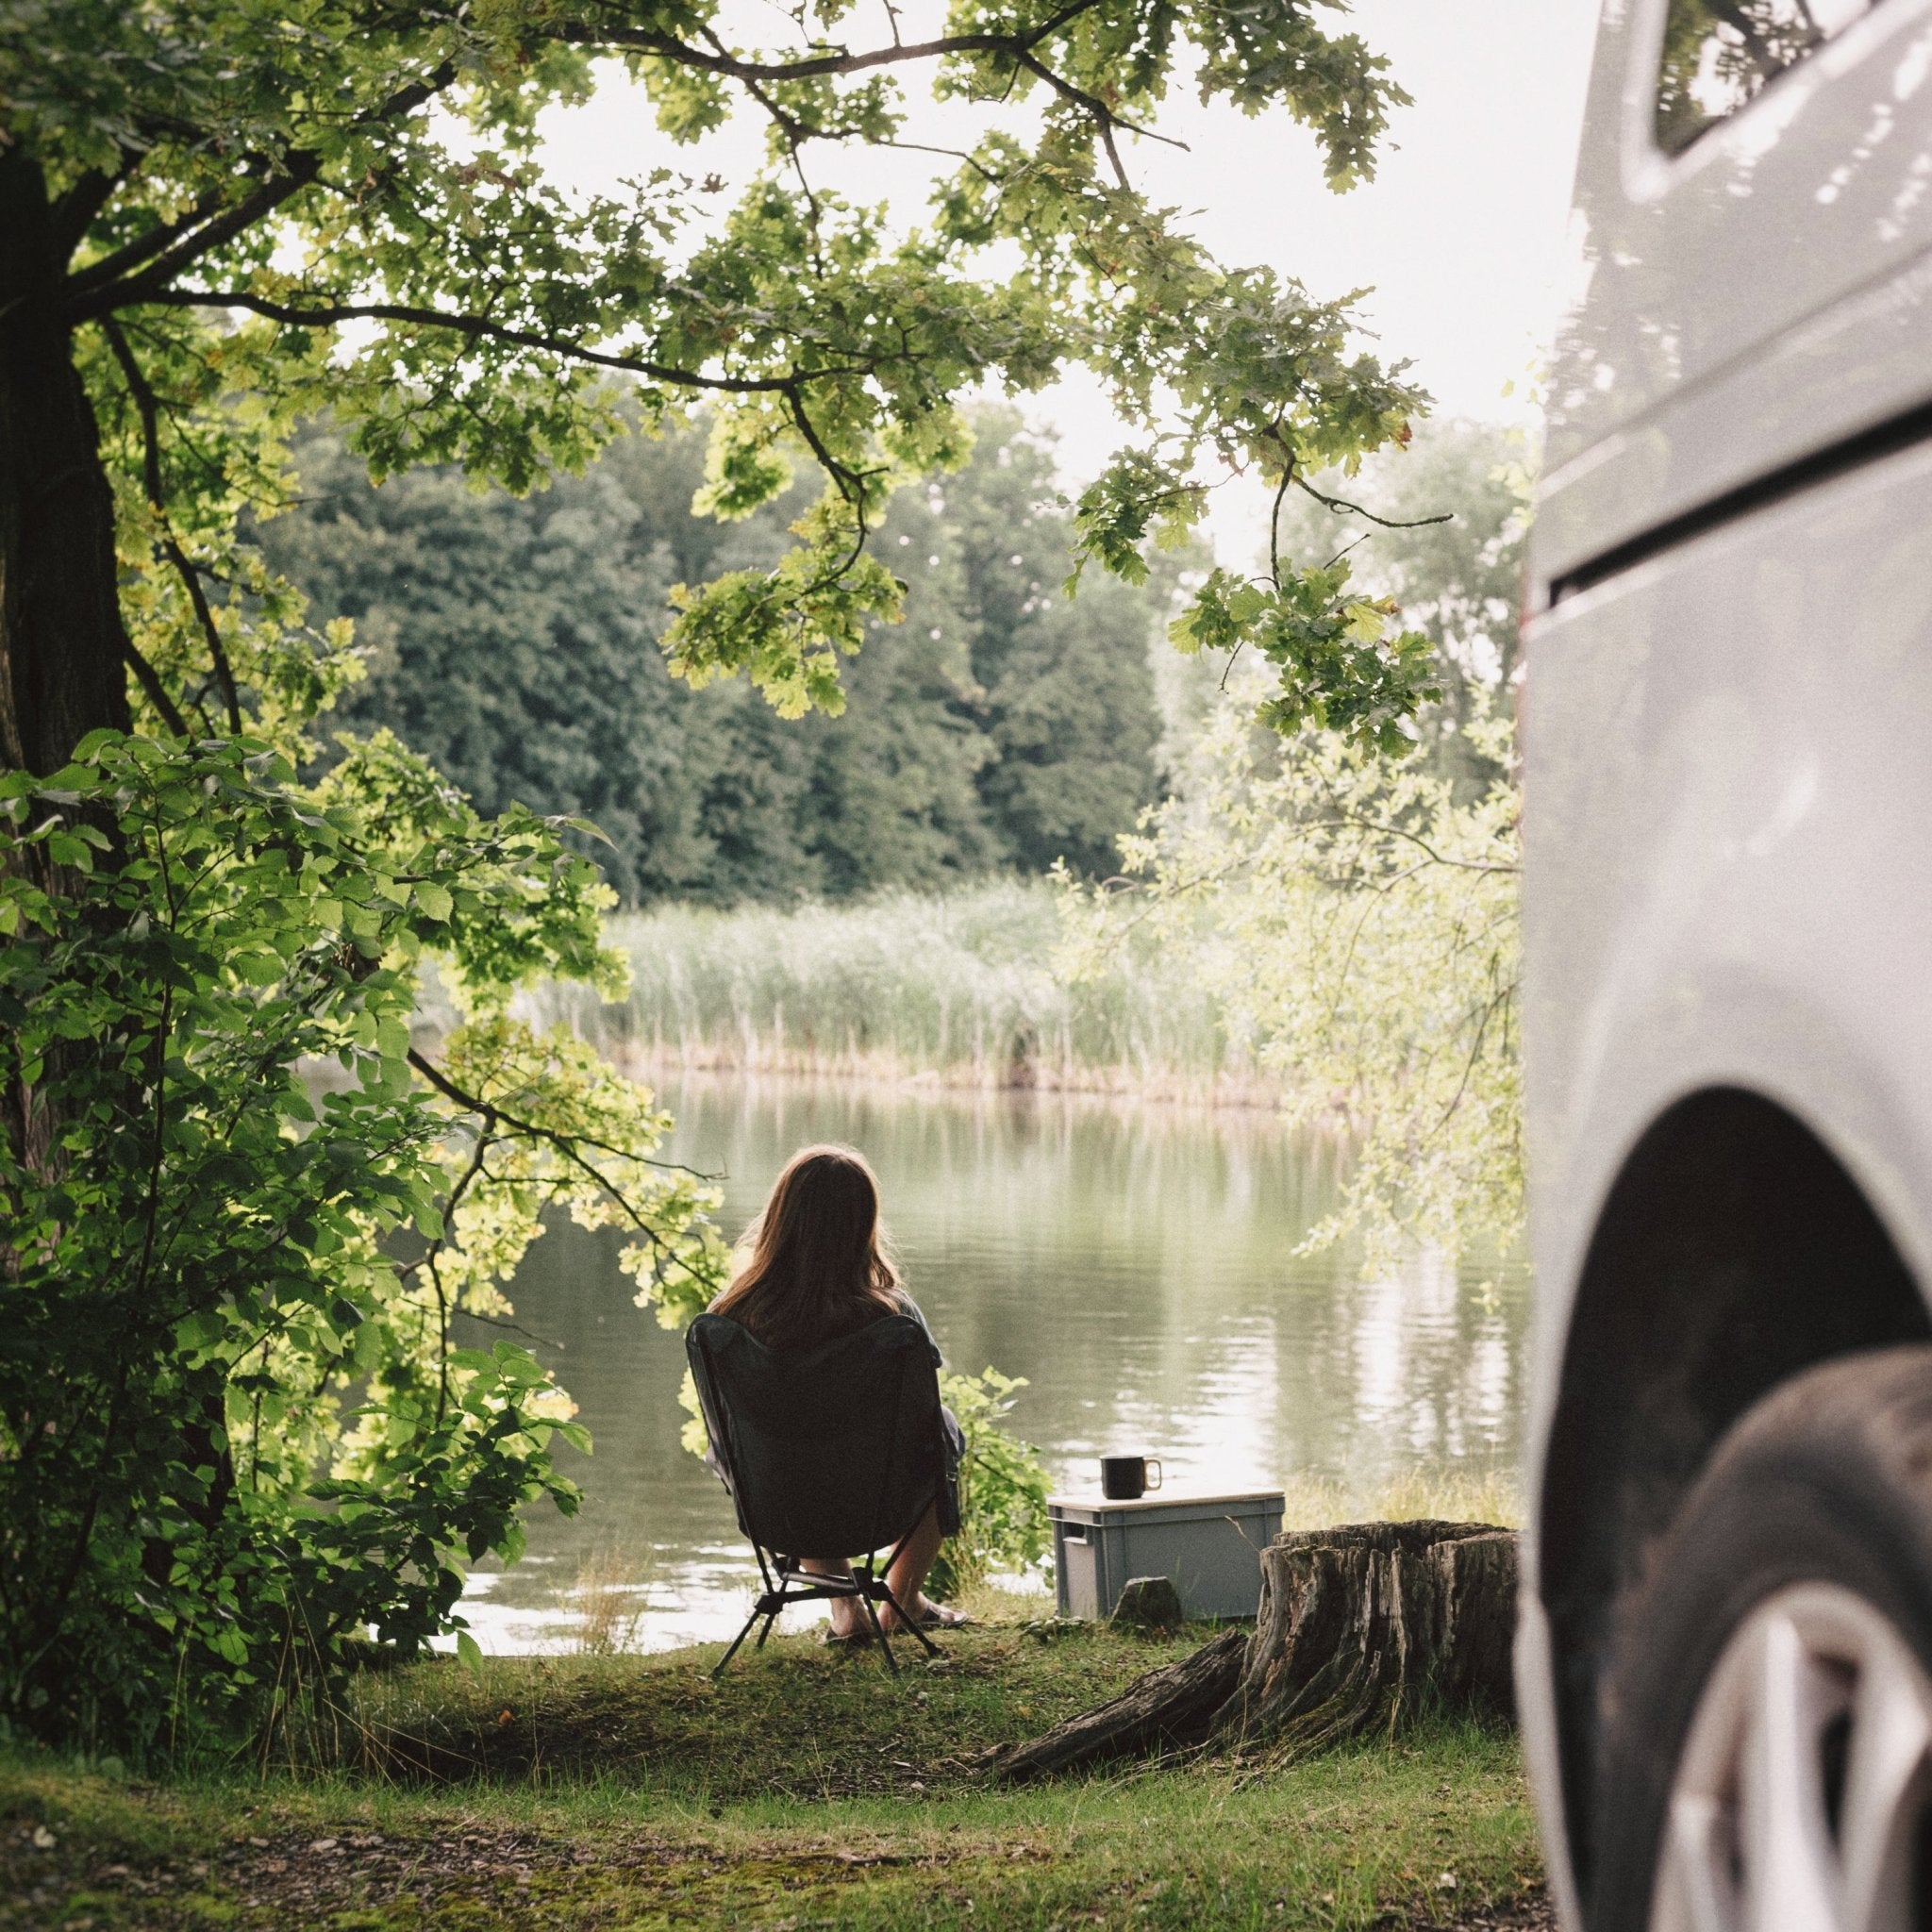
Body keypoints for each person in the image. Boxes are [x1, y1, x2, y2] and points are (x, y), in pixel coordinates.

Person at [706, 1143, 971, 1642]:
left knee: (778, 1447)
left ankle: (847, 1609)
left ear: (779, 1217)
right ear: (862, 1226)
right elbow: (924, 1402)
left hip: (776, 1506)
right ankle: (904, 1597)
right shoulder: (891, 1319)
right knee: (944, 1428)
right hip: (875, 1507)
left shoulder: (728, 1319)